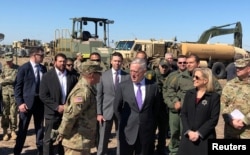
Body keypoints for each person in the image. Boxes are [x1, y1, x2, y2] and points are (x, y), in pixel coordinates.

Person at [164, 54, 222, 155]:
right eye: (187, 63)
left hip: (203, 129)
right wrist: (174, 103)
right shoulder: (180, 78)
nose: (188, 65)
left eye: (191, 62)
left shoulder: (212, 89)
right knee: (175, 134)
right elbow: (169, 91)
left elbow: (213, 118)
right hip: (184, 118)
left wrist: (199, 133)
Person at [114, 58, 159, 155]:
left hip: (145, 132)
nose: (133, 74)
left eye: (136, 71)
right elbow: (116, 108)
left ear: (144, 71)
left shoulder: (153, 87)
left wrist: (151, 125)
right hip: (127, 131)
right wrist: (124, 122)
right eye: (131, 71)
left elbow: (156, 109)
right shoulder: (123, 86)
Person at [57, 60, 103, 155]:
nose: (100, 76)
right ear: (91, 75)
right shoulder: (83, 91)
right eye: (99, 73)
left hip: (82, 141)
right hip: (76, 142)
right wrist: (62, 133)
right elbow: (71, 115)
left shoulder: (88, 88)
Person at [39, 53, 78, 155]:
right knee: (49, 139)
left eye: (64, 61)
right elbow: (43, 95)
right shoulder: (47, 76)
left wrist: (68, 106)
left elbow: (76, 93)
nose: (62, 63)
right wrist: (57, 107)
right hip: (52, 113)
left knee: (64, 139)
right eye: (60, 61)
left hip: (66, 113)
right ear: (55, 62)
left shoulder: (72, 76)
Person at [177, 68, 221, 155]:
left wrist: (199, 133)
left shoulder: (214, 97)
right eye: (193, 77)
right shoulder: (189, 94)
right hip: (188, 137)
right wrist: (189, 131)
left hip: (204, 138)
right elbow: (184, 114)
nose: (193, 79)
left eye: (196, 77)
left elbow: (213, 119)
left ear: (205, 80)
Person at [14, 47, 47, 155]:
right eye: (41, 55)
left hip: (40, 104)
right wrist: (20, 103)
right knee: (23, 129)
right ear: (34, 55)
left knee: (40, 129)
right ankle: (17, 151)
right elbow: (18, 87)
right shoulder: (24, 68)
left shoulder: (43, 68)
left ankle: (40, 151)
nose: (43, 57)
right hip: (26, 105)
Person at [96, 52, 130, 155]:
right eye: (115, 61)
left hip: (121, 112)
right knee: (103, 139)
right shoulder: (103, 75)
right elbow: (99, 95)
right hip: (106, 111)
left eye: (119, 61)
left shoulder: (127, 76)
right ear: (111, 61)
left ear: (122, 62)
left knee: (121, 137)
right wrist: (99, 113)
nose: (117, 63)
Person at [221, 58, 250, 139]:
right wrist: (230, 121)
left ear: (248, 69)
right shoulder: (229, 85)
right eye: (237, 67)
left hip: (247, 132)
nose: (238, 69)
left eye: (241, 68)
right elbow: (223, 104)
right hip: (231, 131)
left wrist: (244, 121)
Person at [153, 59, 172, 155]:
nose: (164, 69)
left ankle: (161, 148)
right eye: (162, 66)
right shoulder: (153, 75)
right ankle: (150, 148)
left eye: (166, 67)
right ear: (159, 66)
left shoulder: (171, 76)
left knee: (163, 130)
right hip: (154, 108)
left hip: (164, 108)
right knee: (152, 130)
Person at [0, 52, 19, 141]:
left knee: (14, 113)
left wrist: (7, 80)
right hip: (4, 94)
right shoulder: (2, 69)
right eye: (7, 61)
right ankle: (4, 131)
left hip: (14, 94)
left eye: (10, 61)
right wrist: (9, 80)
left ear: (12, 59)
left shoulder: (17, 69)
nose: (8, 63)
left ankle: (13, 130)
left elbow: (16, 80)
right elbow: (1, 81)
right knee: (4, 113)